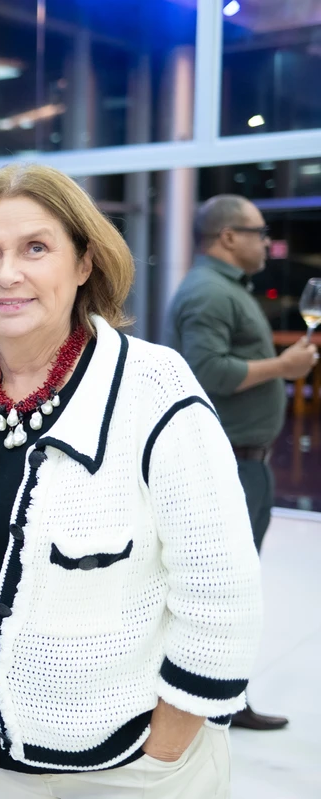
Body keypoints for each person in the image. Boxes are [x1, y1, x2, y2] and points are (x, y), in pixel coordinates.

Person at [0, 163, 263, 798]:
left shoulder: (153, 387)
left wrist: (165, 748)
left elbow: (221, 591)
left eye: (36, 248)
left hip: (135, 769)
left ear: (84, 265)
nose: (7, 274)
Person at [168, 194, 313, 732]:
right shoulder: (209, 292)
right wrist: (285, 364)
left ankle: (222, 698)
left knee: (233, 584)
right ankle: (215, 700)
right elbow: (210, 373)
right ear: (229, 236)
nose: (266, 240)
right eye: (257, 231)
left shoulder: (223, 290)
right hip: (227, 464)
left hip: (243, 460)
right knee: (226, 589)